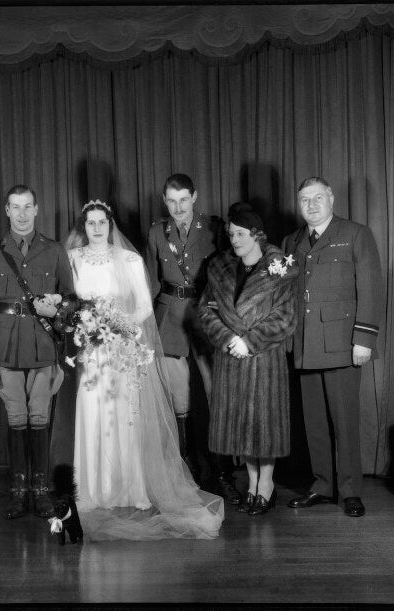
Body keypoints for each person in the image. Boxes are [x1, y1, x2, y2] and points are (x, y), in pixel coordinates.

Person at [65, 200, 224, 540]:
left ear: (110, 225)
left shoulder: (130, 260)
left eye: (102, 222)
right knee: (94, 413)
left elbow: (142, 307)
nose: (96, 228)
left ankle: (130, 488)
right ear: (83, 226)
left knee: (125, 416)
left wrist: (115, 325)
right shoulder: (73, 260)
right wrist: (86, 325)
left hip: (121, 350)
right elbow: (68, 304)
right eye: (90, 223)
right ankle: (95, 490)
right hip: (91, 354)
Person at [282, 177, 383, 518]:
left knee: (345, 420)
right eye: (304, 199)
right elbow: (284, 291)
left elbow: (370, 289)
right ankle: (323, 485)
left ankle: (350, 490)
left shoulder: (355, 234)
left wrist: (364, 339)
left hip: (343, 344)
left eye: (318, 198)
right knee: (314, 422)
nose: (311, 205)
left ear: (331, 198)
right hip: (305, 343)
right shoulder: (291, 241)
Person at [0, 185, 74, 520]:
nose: (21, 213)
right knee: (16, 418)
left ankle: (41, 491)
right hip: (5, 347)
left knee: (39, 417)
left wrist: (56, 309)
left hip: (43, 345)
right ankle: (18, 492)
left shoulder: (55, 250)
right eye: (15, 207)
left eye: (27, 206)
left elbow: (72, 300)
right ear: (6, 210)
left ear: (36, 209)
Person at [145, 173, 241, 504]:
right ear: (164, 200)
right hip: (169, 317)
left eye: (183, 199)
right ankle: (186, 471)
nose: (178, 207)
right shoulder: (157, 232)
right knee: (178, 401)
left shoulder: (215, 228)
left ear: (194, 197)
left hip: (206, 314)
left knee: (218, 398)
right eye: (171, 201)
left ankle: (224, 472)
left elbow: (232, 272)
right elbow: (150, 283)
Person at [198, 203, 298, 516]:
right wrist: (228, 339)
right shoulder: (219, 266)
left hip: (264, 358)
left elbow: (286, 316)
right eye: (231, 234)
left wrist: (250, 342)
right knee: (244, 427)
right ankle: (252, 483)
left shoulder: (278, 265)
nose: (235, 240)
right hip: (231, 358)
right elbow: (206, 309)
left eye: (241, 234)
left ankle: (265, 484)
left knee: (264, 426)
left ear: (257, 235)